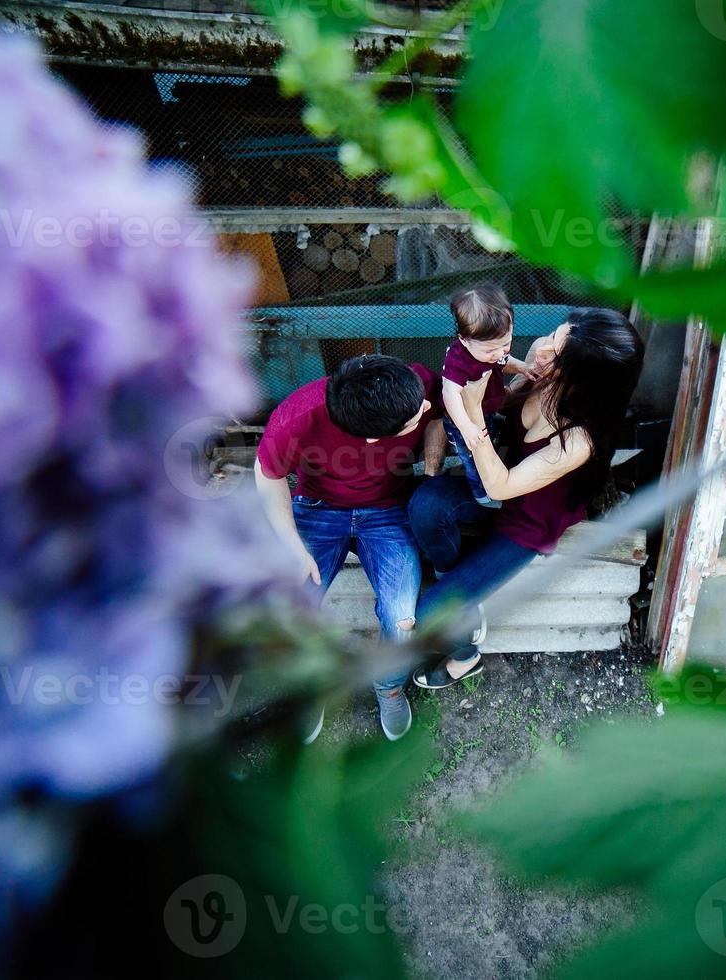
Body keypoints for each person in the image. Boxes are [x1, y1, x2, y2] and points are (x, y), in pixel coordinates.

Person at [407, 308, 644, 688]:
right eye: (555, 334)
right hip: (493, 482)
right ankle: (460, 587)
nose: (543, 349)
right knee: (425, 504)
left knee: (430, 614)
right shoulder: (541, 359)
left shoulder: (580, 439)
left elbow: (502, 485)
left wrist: (470, 416)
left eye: (558, 351)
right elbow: (498, 404)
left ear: (587, 379)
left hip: (526, 518)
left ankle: (465, 658)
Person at [254, 354, 447, 739]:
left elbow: (438, 411)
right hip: (318, 509)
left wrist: (430, 472)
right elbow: (267, 473)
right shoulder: (296, 418)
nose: (423, 407)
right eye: (414, 415)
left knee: (401, 618)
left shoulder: (410, 381)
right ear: (374, 437)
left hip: (389, 510)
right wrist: (293, 546)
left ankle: (388, 684)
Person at [441, 283, 533, 507]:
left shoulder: (496, 349)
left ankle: (492, 444)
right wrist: (465, 426)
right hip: (463, 421)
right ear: (464, 339)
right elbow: (450, 394)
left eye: (506, 343)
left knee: (489, 442)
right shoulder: (459, 360)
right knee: (472, 458)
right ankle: (482, 494)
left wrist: (522, 367)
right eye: (490, 350)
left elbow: (504, 361)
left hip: (487, 409)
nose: (499, 353)